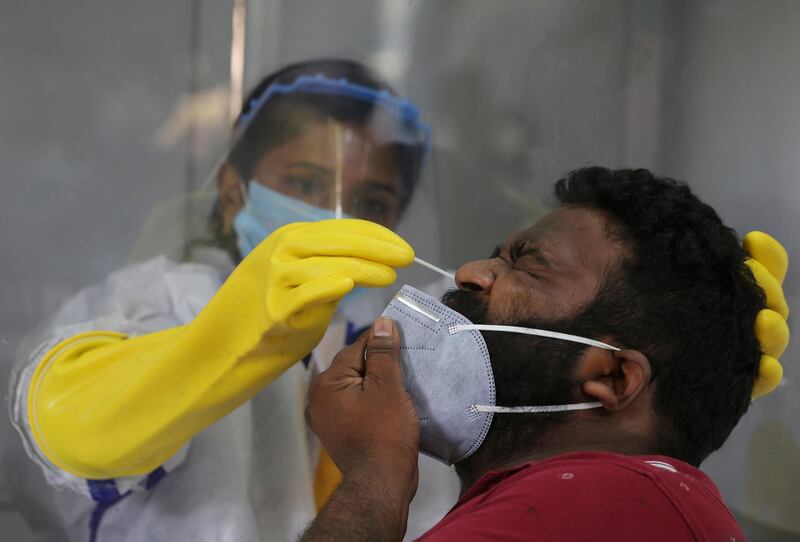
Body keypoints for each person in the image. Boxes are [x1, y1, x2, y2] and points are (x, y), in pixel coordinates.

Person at [4, 58, 459, 541]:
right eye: (304, 184)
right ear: (232, 193)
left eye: (371, 203)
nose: (337, 217)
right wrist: (235, 336)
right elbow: (67, 428)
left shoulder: (405, 344)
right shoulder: (166, 300)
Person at [302, 166, 790, 541]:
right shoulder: (626, 501)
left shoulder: (605, 500)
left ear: (614, 378)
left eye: (526, 264)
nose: (471, 272)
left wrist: (376, 475)